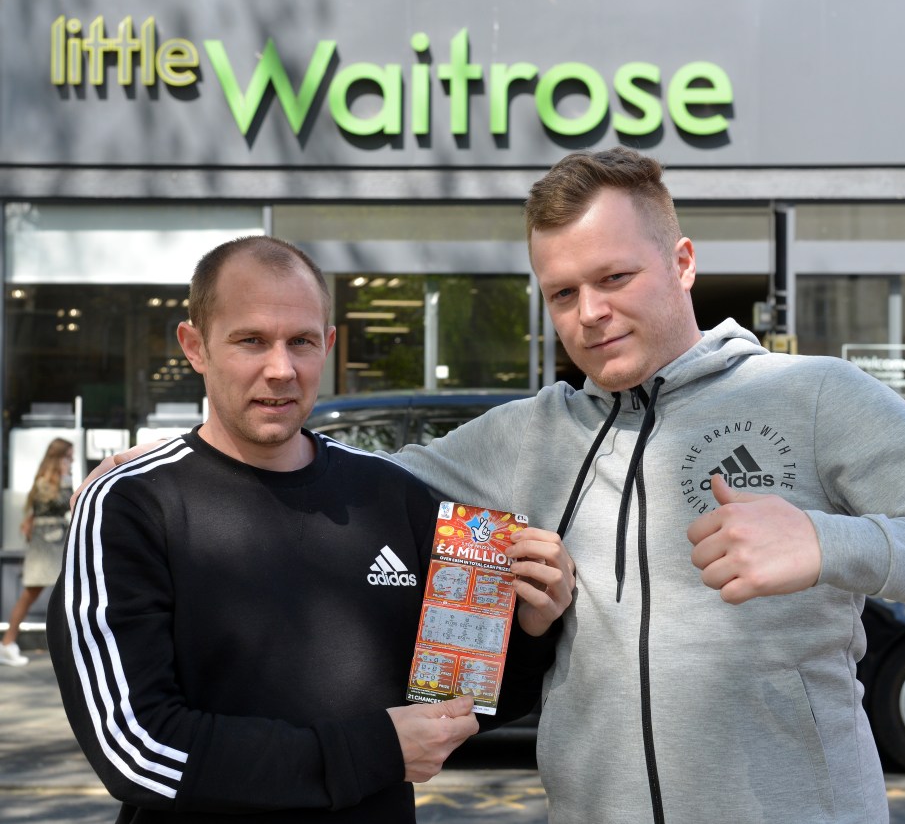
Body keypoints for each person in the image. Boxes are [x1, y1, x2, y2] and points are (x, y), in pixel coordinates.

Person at [77, 148, 905, 823]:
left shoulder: (812, 397)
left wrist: (831, 543)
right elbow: (314, 481)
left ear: (683, 262)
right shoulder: (527, 434)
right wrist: (173, 458)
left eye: (616, 277)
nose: (590, 313)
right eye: (563, 292)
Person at [48, 235, 571, 823]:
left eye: (300, 341)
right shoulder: (132, 503)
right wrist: (371, 750)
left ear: (327, 344)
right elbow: (135, 747)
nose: (281, 368)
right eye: (250, 341)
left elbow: (461, 703)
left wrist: (529, 630)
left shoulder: (390, 494)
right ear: (194, 346)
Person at [0, 437, 73, 667]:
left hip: (57, 542)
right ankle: (7, 643)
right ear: (59, 457)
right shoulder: (46, 480)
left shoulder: (55, 479)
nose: (71, 461)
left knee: (68, 593)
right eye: (68, 457)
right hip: (44, 546)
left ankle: (73, 646)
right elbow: (62, 503)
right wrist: (66, 478)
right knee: (30, 593)